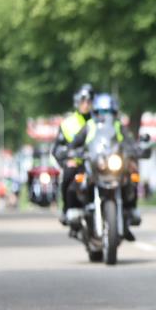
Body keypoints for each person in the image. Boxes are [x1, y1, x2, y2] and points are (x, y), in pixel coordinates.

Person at [62, 93, 143, 240]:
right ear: (96, 112)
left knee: (133, 178)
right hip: (95, 165)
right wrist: (70, 150)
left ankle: (130, 212)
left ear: (114, 112)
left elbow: (128, 141)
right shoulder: (90, 126)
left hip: (114, 165)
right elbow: (76, 142)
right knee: (75, 182)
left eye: (109, 112)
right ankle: (73, 214)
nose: (105, 116)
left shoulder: (118, 126)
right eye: (101, 112)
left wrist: (136, 149)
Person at [52, 84, 94, 225]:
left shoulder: (100, 121)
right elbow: (57, 148)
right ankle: (66, 208)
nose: (86, 104)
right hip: (78, 162)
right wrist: (66, 158)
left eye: (89, 101)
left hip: (97, 162)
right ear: (77, 102)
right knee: (69, 173)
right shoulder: (68, 123)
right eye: (83, 101)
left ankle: (125, 211)